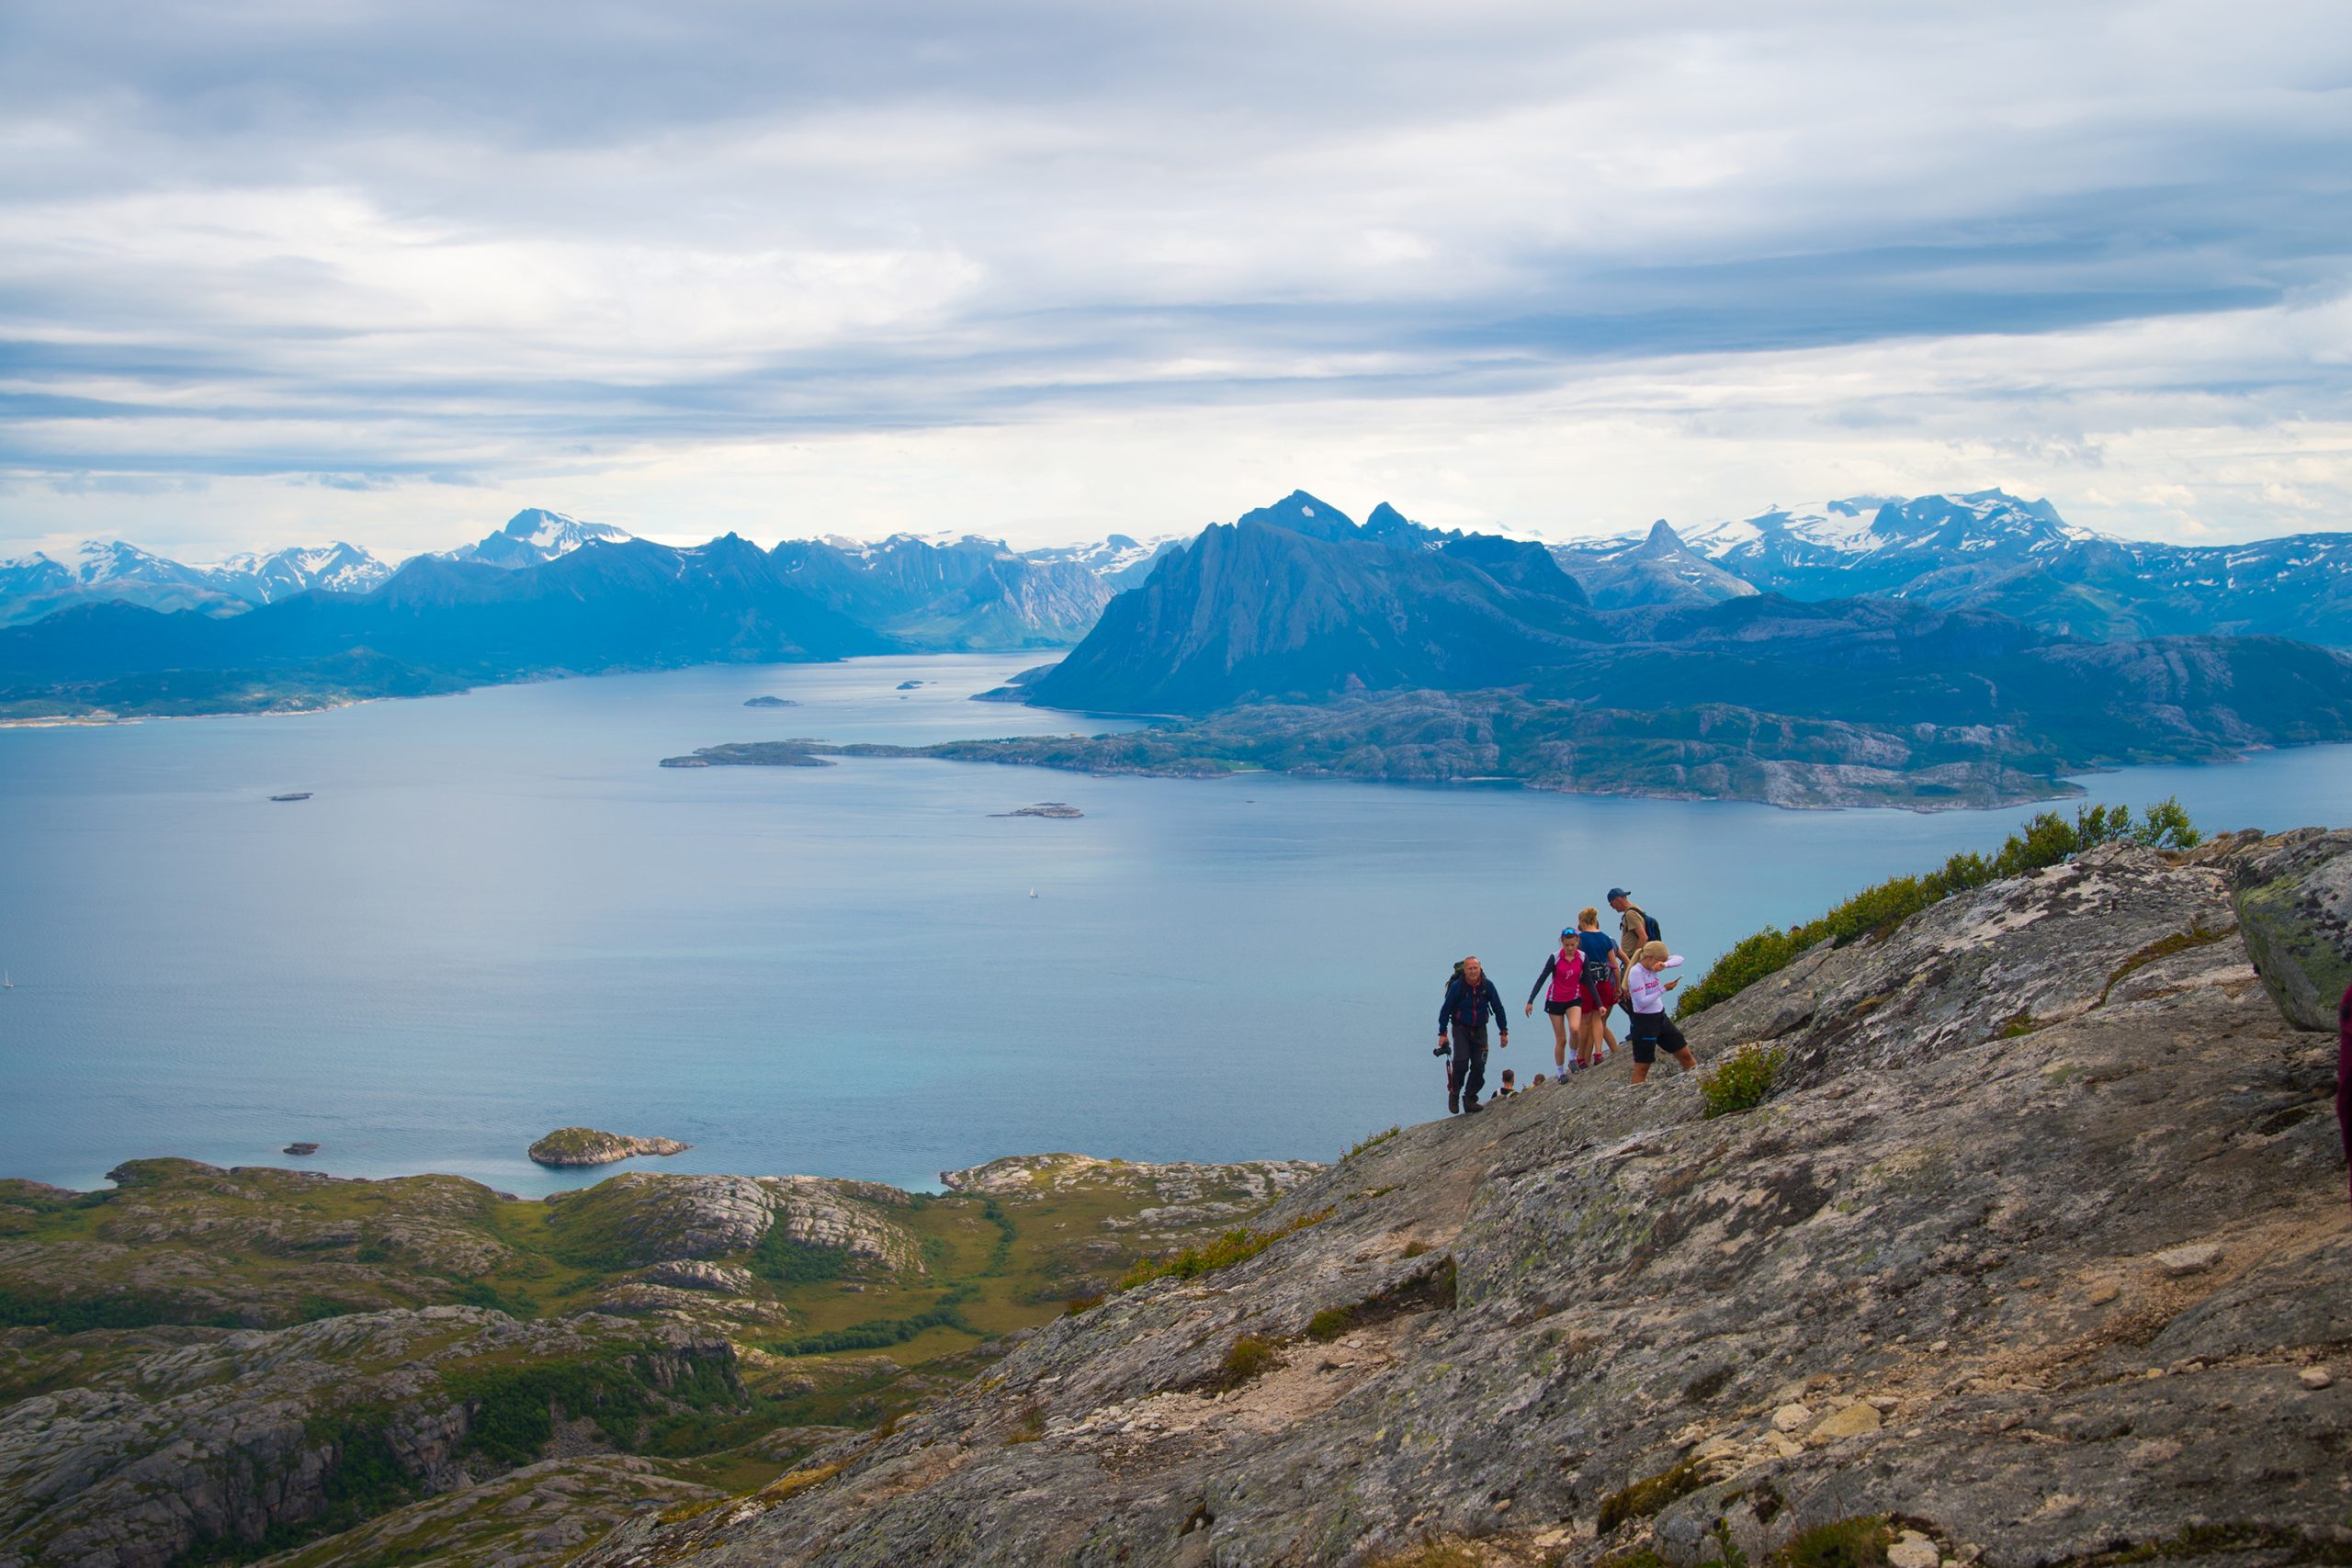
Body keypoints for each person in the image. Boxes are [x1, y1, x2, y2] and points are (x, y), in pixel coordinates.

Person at [1437, 955, 1509, 1114]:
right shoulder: (1458, 987)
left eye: (1475, 968)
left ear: (1480, 968)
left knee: (1479, 1066)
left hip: (1480, 1029)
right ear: (1465, 971)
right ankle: (1454, 1093)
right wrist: (1442, 1033)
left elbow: (1498, 1008)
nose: (1473, 971)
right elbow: (1446, 1009)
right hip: (1461, 1028)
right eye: (1470, 968)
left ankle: (1469, 1098)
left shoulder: (1487, 986)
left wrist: (1503, 1031)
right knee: (1461, 1064)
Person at [1623, 940, 1700, 1084]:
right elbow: (1641, 1001)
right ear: (1651, 957)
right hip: (1644, 1023)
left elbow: (1680, 959)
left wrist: (1665, 964)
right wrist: (1664, 989)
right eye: (1659, 961)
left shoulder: (1655, 966)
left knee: (1685, 1054)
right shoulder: (1636, 972)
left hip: (1661, 1018)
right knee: (1642, 1067)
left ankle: (1699, 1083)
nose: (1660, 966)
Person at [1524, 929, 1587, 1080]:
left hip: (1574, 999)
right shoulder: (1555, 957)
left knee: (1575, 1029)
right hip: (1555, 1001)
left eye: (1572, 945)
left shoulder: (1583, 957)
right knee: (1562, 1039)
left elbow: (1588, 980)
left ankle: (1572, 1059)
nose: (1570, 948)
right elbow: (1542, 978)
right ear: (1562, 944)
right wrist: (1530, 1001)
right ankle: (1560, 1072)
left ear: (1577, 942)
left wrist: (1600, 1004)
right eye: (1567, 945)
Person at [1569, 908, 1622, 1069]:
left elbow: (1574, 962)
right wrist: (1618, 986)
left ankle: (1581, 1058)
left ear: (1583, 922)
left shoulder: (1581, 939)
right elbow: (1615, 966)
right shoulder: (1606, 938)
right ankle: (1598, 1053)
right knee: (1598, 1018)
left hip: (1586, 984)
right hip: (1605, 983)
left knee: (1584, 1021)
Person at [1609, 888, 1661, 1031]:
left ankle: (1639, 1026)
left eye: (1612, 904)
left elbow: (1643, 937)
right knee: (1634, 994)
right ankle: (1641, 1025)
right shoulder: (1636, 909)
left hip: (1632, 960)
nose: (1613, 908)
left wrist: (1633, 961)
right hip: (1634, 959)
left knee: (1622, 995)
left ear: (1617, 900)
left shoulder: (1631, 914)